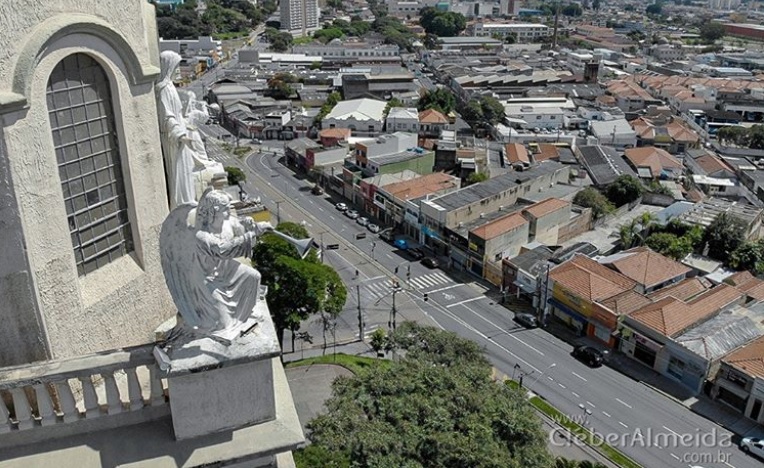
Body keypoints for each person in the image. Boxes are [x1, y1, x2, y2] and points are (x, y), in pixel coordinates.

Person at [159, 188, 273, 338]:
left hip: (224, 268)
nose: (228, 213)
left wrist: (251, 225)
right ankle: (226, 320)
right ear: (214, 211)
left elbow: (238, 226)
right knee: (222, 326)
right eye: (225, 209)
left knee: (253, 276)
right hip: (207, 279)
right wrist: (253, 234)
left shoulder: (226, 222)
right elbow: (223, 250)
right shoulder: (200, 235)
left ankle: (245, 313)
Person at [156, 50, 196, 208]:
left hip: (180, 133)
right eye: (176, 67)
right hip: (173, 137)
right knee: (178, 170)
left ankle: (187, 199)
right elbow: (167, 116)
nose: (178, 70)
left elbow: (177, 114)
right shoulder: (163, 89)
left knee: (186, 169)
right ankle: (181, 203)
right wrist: (180, 134)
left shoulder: (170, 86)